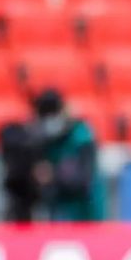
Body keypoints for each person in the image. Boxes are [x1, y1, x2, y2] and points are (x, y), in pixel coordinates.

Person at [29, 89, 106, 222]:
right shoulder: (43, 139)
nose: (49, 120)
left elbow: (84, 179)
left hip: (85, 211)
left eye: (52, 113)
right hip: (59, 212)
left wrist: (53, 176)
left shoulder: (81, 133)